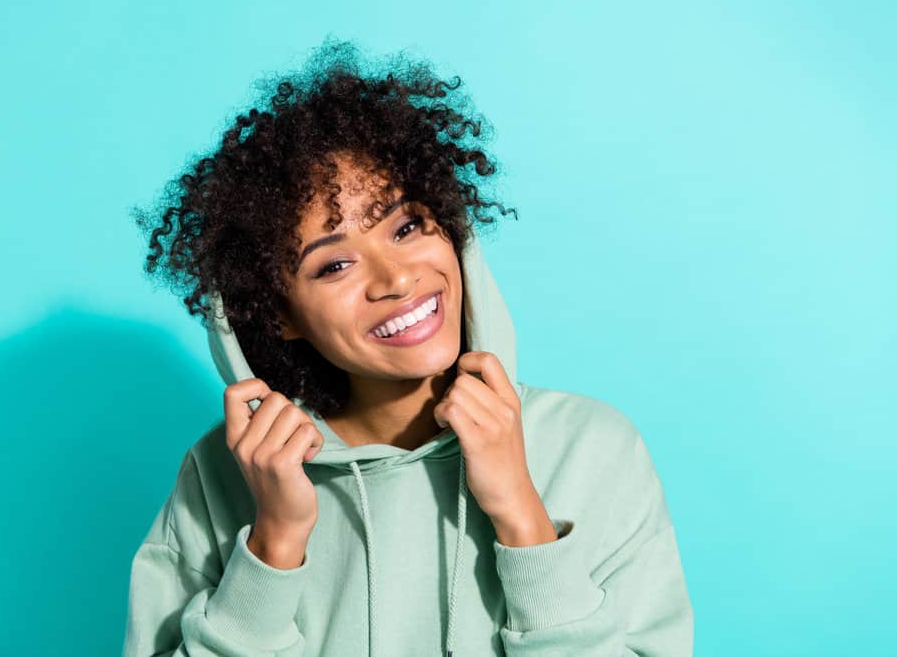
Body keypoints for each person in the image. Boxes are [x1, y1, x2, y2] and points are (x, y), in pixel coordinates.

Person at [122, 38, 694, 656]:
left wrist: (521, 515)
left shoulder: (592, 448)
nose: (396, 279)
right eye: (335, 265)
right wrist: (275, 543)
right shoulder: (224, 473)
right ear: (277, 315)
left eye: (406, 226)